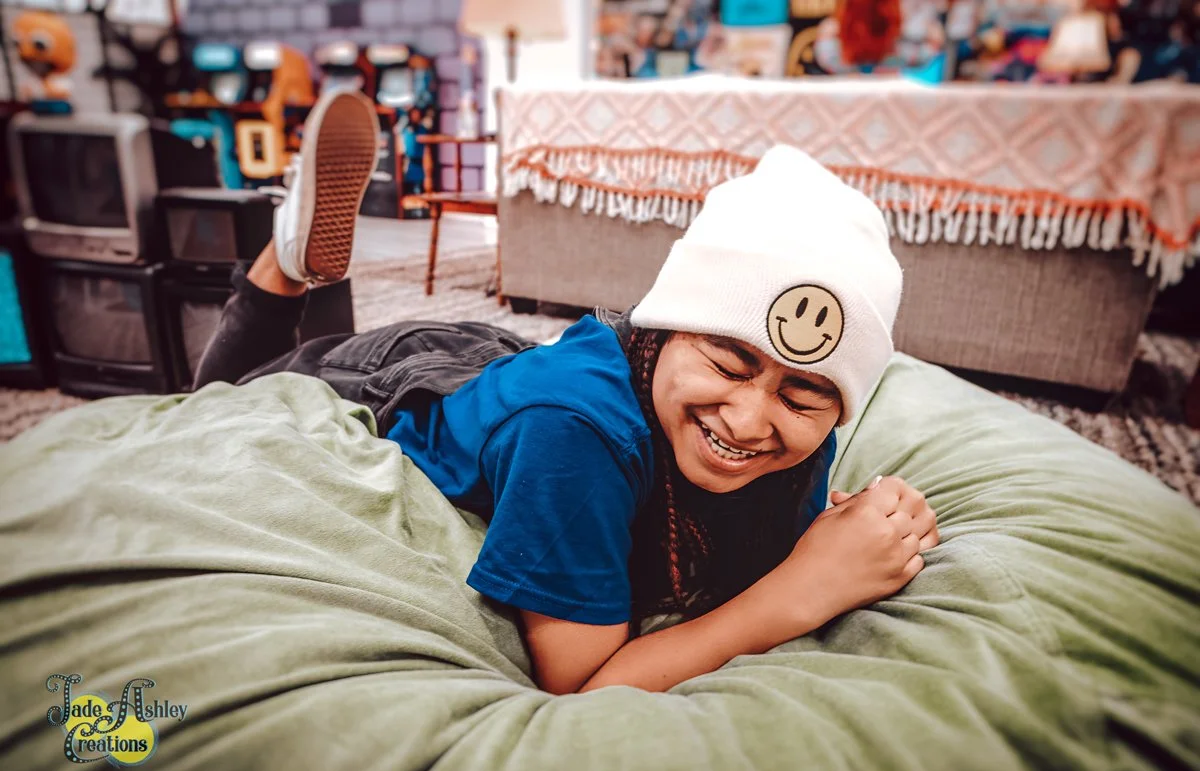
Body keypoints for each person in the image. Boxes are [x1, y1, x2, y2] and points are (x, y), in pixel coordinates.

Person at [195, 88, 940, 696]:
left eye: (802, 400)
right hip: (394, 380)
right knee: (214, 401)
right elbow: (584, 681)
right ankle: (280, 267)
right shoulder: (573, 438)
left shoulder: (785, 414)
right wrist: (802, 591)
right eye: (729, 365)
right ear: (670, 329)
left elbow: (791, 521)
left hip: (514, 364)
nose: (749, 420)